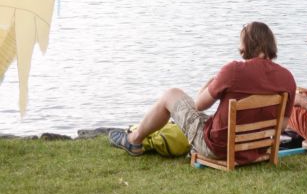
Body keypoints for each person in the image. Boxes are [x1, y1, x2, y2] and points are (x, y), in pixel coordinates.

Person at [107, 22, 296, 163]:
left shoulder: (233, 71)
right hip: (256, 149)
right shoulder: (287, 78)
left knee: (171, 94)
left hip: (218, 148)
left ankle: (134, 140)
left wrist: (207, 86)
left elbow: (198, 106)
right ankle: (137, 138)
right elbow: (283, 125)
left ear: (246, 45)